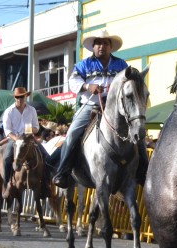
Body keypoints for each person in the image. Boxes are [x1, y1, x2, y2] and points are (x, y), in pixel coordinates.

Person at [52, 30, 147, 188]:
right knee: (72, 133)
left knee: (139, 134)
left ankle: (143, 171)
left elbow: (128, 84)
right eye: (98, 43)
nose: (102, 46)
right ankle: (63, 172)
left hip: (116, 109)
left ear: (110, 47)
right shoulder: (84, 64)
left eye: (105, 43)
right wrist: (87, 86)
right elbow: (72, 81)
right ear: (93, 47)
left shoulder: (121, 65)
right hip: (90, 105)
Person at [0, 87, 39, 197]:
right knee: (7, 157)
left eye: (21, 96)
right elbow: (7, 131)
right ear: (14, 98)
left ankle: (45, 184)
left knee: (44, 155)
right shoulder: (8, 111)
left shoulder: (32, 110)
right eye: (17, 97)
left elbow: (37, 127)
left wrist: (31, 130)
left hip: (29, 139)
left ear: (26, 96)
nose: (19, 99)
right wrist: (16, 139)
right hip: (14, 140)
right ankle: (7, 183)